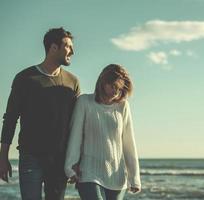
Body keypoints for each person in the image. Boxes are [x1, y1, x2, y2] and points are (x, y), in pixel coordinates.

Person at [0, 27, 80, 200]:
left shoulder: (72, 83)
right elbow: (10, 118)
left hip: (60, 159)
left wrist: (77, 159)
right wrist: (3, 157)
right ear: (53, 47)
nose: (72, 51)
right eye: (68, 46)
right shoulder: (24, 78)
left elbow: (78, 124)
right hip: (31, 156)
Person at [64, 64, 141, 200]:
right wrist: (69, 166)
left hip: (117, 176)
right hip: (89, 172)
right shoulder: (84, 102)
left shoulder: (123, 106)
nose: (116, 92)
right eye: (113, 86)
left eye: (120, 88)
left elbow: (129, 143)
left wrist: (134, 177)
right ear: (103, 82)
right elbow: (75, 135)